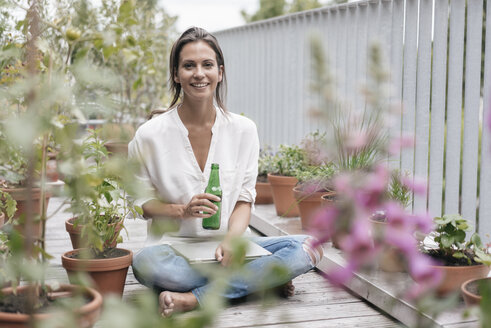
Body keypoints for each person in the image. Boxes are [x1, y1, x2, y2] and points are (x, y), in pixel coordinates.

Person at [128, 27, 323, 317]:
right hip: (172, 250)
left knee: (308, 247)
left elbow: (245, 200)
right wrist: (181, 210)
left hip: (228, 249)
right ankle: (260, 279)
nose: (199, 73)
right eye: (189, 65)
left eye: (207, 65)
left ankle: (194, 299)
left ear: (220, 72)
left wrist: (232, 239)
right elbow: (140, 204)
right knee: (145, 264)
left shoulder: (244, 130)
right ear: (176, 74)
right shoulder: (149, 135)